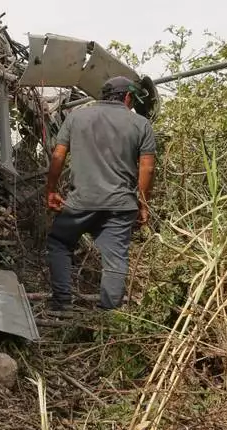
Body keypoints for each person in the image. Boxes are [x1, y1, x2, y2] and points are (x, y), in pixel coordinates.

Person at [45, 76, 156, 312]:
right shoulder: (141, 124)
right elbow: (147, 168)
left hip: (81, 202)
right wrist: (143, 204)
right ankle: (108, 314)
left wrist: (51, 190)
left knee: (60, 242)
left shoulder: (77, 117)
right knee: (115, 259)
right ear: (128, 97)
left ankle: (61, 302)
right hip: (120, 205)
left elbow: (58, 156)